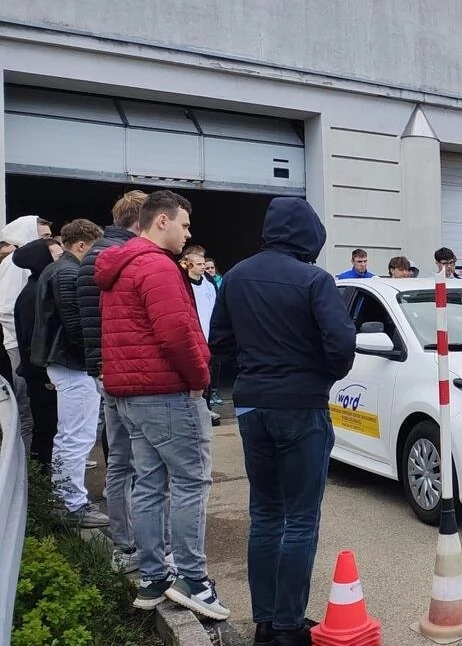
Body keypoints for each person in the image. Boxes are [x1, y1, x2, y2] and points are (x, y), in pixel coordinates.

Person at [210, 197, 356, 646]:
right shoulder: (315, 279)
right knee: (300, 520)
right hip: (301, 407)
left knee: (266, 515)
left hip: (252, 408)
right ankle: (291, 627)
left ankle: (265, 623)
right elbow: (342, 345)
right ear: (309, 235)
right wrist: (317, 378)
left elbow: (219, 342)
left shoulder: (234, 276)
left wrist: (250, 377)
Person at [95, 190, 228, 618]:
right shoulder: (157, 266)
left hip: (130, 395)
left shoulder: (121, 265)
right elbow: (175, 333)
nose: (189, 233)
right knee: (191, 482)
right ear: (162, 222)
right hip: (165, 393)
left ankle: (153, 578)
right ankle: (192, 578)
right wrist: (200, 379)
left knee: (149, 484)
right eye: (185, 225)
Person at [77, 190, 148, 574]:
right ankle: (138, 543)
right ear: (143, 220)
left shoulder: (93, 255)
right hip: (124, 373)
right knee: (138, 462)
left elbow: (84, 322)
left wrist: (97, 365)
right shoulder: (124, 257)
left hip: (105, 371)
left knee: (119, 461)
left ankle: (123, 541)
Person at [35, 218, 106, 525]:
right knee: (78, 435)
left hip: (62, 361)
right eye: (95, 249)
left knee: (70, 435)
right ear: (81, 245)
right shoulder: (69, 273)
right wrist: (97, 360)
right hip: (72, 363)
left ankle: (65, 499)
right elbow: (77, 326)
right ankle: (72, 505)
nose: (97, 256)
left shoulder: (55, 269)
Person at [0, 215, 54, 452]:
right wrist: (28, 341)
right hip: (17, 346)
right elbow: (6, 308)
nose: (48, 242)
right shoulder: (16, 262)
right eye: (43, 236)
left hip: (22, 344)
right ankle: (28, 468)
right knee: (25, 406)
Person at [12, 238, 63, 473]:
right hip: (41, 375)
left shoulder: (40, 287)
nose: (62, 259)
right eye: (56, 255)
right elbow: (33, 339)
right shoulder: (34, 294)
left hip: (41, 372)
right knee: (46, 429)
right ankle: (43, 482)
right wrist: (46, 374)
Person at [181, 246, 222, 425]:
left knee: (209, 374)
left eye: (203, 263)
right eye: (198, 264)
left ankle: (207, 408)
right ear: (188, 265)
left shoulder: (210, 282)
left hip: (210, 336)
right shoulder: (183, 283)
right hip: (193, 337)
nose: (203, 267)